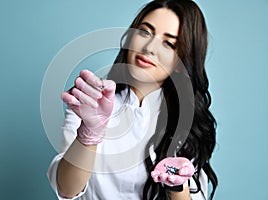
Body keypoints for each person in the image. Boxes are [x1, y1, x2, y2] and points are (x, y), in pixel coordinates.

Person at [47, 0, 218, 199]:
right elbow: (67, 189)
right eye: (145, 32)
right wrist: (89, 135)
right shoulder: (92, 101)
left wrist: (177, 185)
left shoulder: (189, 125)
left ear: (181, 62)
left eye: (169, 43)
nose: (149, 48)